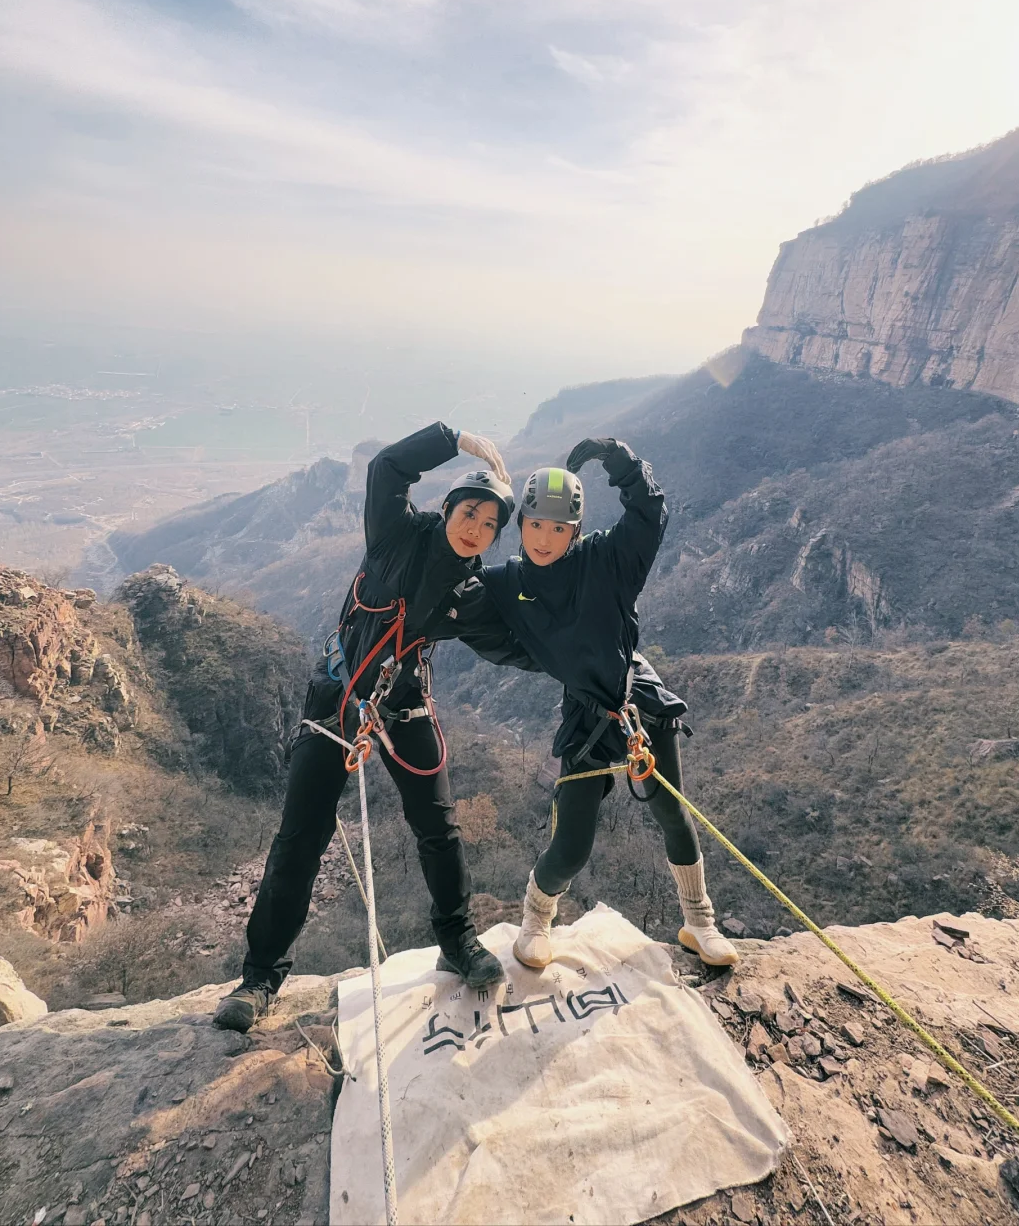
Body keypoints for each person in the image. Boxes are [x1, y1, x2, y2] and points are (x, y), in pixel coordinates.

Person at [214, 422, 534, 1032]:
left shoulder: (469, 593)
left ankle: (457, 941)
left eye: (490, 525)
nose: (477, 528)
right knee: (299, 840)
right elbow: (387, 468)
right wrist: (452, 437)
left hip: (403, 707)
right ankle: (258, 978)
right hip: (337, 700)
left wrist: (601, 668)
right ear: (447, 509)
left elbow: (515, 648)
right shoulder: (393, 537)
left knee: (438, 829)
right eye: (470, 512)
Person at [481, 438, 739, 972]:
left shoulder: (606, 560)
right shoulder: (507, 583)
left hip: (634, 700)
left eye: (559, 528)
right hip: (584, 717)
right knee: (572, 844)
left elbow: (649, 512)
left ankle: (699, 922)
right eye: (535, 525)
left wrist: (619, 459)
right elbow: (457, 608)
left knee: (672, 811)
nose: (545, 538)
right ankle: (535, 921)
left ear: (575, 531)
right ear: (520, 523)